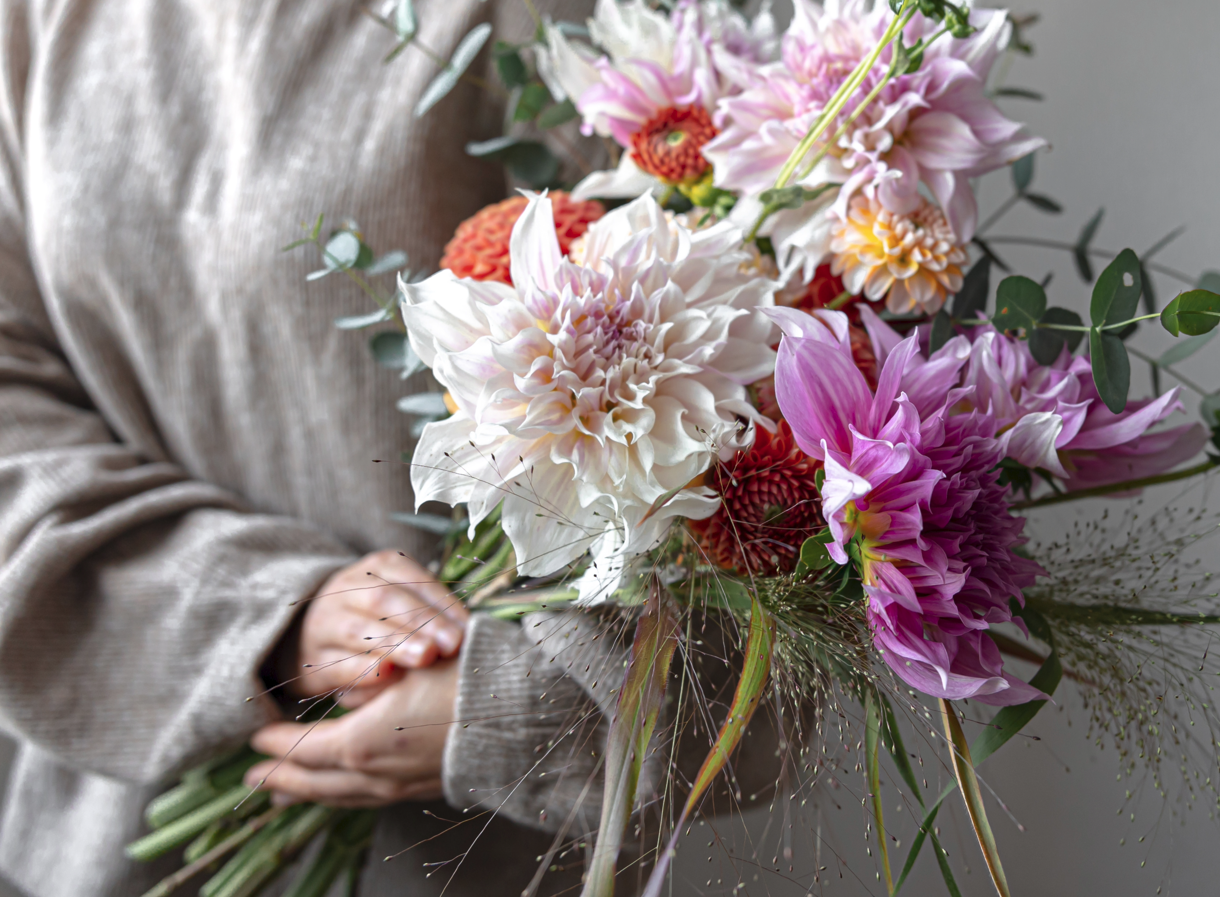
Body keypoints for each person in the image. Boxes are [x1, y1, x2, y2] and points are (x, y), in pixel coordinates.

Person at [0, 2, 780, 894]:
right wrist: (267, 616)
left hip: (460, 857)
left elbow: (750, 477)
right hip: (88, 839)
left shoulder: (577, 28)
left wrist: (505, 706)